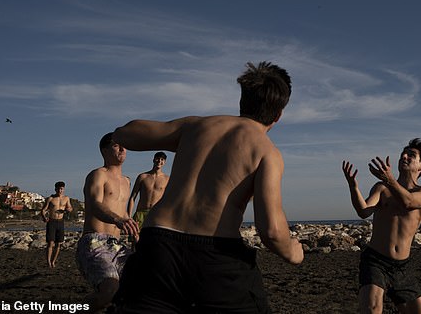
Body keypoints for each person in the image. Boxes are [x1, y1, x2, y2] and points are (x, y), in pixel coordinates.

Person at [112, 61, 303, 313]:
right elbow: (271, 231)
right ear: (279, 115)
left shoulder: (195, 126)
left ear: (241, 101)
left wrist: (183, 140)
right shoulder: (267, 151)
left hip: (157, 245)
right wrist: (293, 252)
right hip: (214, 253)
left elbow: (125, 134)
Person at [342, 138, 421, 314]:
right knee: (372, 309)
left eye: (411, 155)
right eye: (403, 154)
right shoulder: (382, 188)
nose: (404, 156)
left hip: (403, 267)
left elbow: (408, 202)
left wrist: (390, 179)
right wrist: (353, 187)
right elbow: (363, 211)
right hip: (376, 261)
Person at [75, 132, 139, 313]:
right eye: (117, 145)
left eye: (124, 146)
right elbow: (94, 205)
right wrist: (116, 219)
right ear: (104, 151)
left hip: (118, 245)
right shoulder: (98, 175)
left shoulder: (127, 181)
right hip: (95, 242)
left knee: (139, 288)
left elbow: (124, 212)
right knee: (110, 292)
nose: (122, 148)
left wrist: (134, 229)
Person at [127, 151, 169, 232]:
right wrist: (129, 216)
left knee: (153, 241)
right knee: (136, 240)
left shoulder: (167, 179)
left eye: (162, 159)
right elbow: (132, 197)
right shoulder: (142, 177)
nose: (159, 161)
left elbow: (169, 200)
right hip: (140, 214)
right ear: (153, 160)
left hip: (156, 214)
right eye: (157, 159)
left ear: (164, 162)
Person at [40, 181, 73, 268]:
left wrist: (67, 210)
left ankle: (53, 261)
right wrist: (44, 217)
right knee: (50, 243)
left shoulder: (66, 198)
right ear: (55, 189)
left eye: (61, 189)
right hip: (52, 221)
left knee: (59, 244)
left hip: (61, 222)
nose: (60, 190)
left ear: (64, 189)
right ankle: (48, 262)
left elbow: (70, 208)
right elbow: (43, 210)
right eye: (58, 189)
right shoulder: (50, 198)